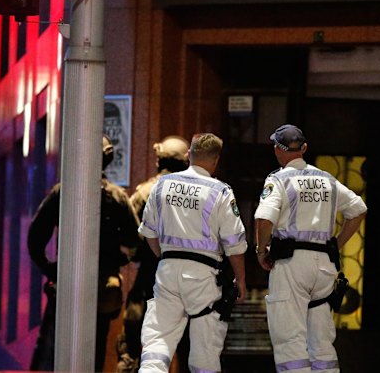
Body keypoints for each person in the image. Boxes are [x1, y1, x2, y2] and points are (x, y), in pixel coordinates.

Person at [254, 124, 367, 373]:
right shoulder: (327, 179)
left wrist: (261, 251)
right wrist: (337, 243)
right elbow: (358, 210)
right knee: (322, 340)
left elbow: (264, 219)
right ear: (304, 148)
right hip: (324, 266)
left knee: (289, 339)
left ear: (277, 150)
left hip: (292, 264)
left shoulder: (278, 179)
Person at [27, 135, 140, 372]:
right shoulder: (118, 197)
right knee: (95, 352)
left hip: (66, 286)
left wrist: (51, 268)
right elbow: (136, 242)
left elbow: (35, 239)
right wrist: (119, 260)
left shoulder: (62, 192)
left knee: (54, 351)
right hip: (103, 290)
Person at [137, 132, 248, 373]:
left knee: (157, 345)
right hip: (203, 277)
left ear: (189, 155)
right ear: (216, 160)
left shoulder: (162, 185)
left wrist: (166, 258)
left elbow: (149, 232)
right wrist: (240, 279)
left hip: (167, 270)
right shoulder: (221, 192)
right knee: (205, 351)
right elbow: (235, 244)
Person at [116, 135, 191, 373]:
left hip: (150, 279)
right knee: (187, 350)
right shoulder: (199, 193)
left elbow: (127, 235)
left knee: (134, 348)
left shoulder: (146, 192)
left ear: (160, 161)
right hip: (188, 282)